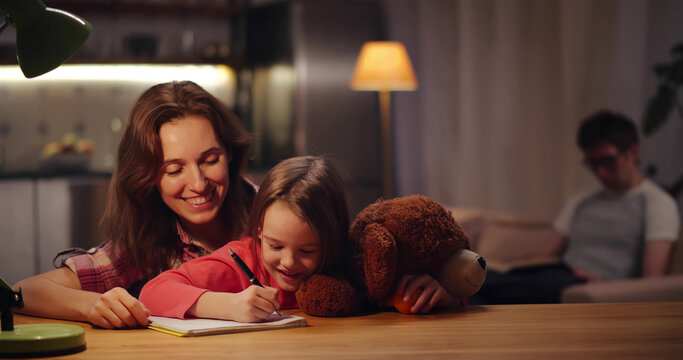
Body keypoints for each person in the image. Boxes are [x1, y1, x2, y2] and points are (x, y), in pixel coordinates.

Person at [12, 81, 255, 328]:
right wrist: (92, 305)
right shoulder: (141, 246)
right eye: (174, 170)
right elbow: (24, 291)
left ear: (230, 151)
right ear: (147, 177)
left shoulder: (272, 210)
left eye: (210, 160)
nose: (198, 183)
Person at [140, 156, 462, 321]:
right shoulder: (240, 261)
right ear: (260, 230)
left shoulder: (352, 263)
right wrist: (228, 305)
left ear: (332, 239)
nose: (289, 262)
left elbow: (456, 302)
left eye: (308, 250)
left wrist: (440, 296)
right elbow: (152, 293)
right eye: (275, 246)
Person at [470, 110, 681, 304]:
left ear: (633, 152)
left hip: (592, 286)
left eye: (607, 161)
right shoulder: (581, 201)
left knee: (474, 288)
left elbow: (652, 281)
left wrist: (608, 288)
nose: (601, 173)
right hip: (558, 274)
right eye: (593, 163)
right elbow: (544, 254)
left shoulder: (658, 204)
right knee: (471, 282)